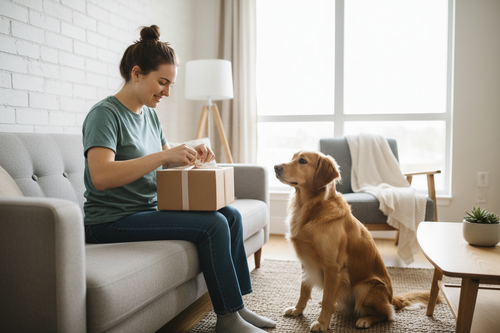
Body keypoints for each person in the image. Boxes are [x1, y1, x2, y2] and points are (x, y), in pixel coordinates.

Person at [82, 25, 275, 333]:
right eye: (162, 82)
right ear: (136, 73)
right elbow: (101, 176)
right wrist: (163, 157)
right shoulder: (105, 115)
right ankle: (227, 320)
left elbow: (163, 153)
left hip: (146, 209)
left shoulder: (148, 114)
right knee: (213, 225)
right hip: (109, 221)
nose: (167, 92)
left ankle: (237, 307)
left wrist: (190, 148)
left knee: (231, 215)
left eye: (170, 84)